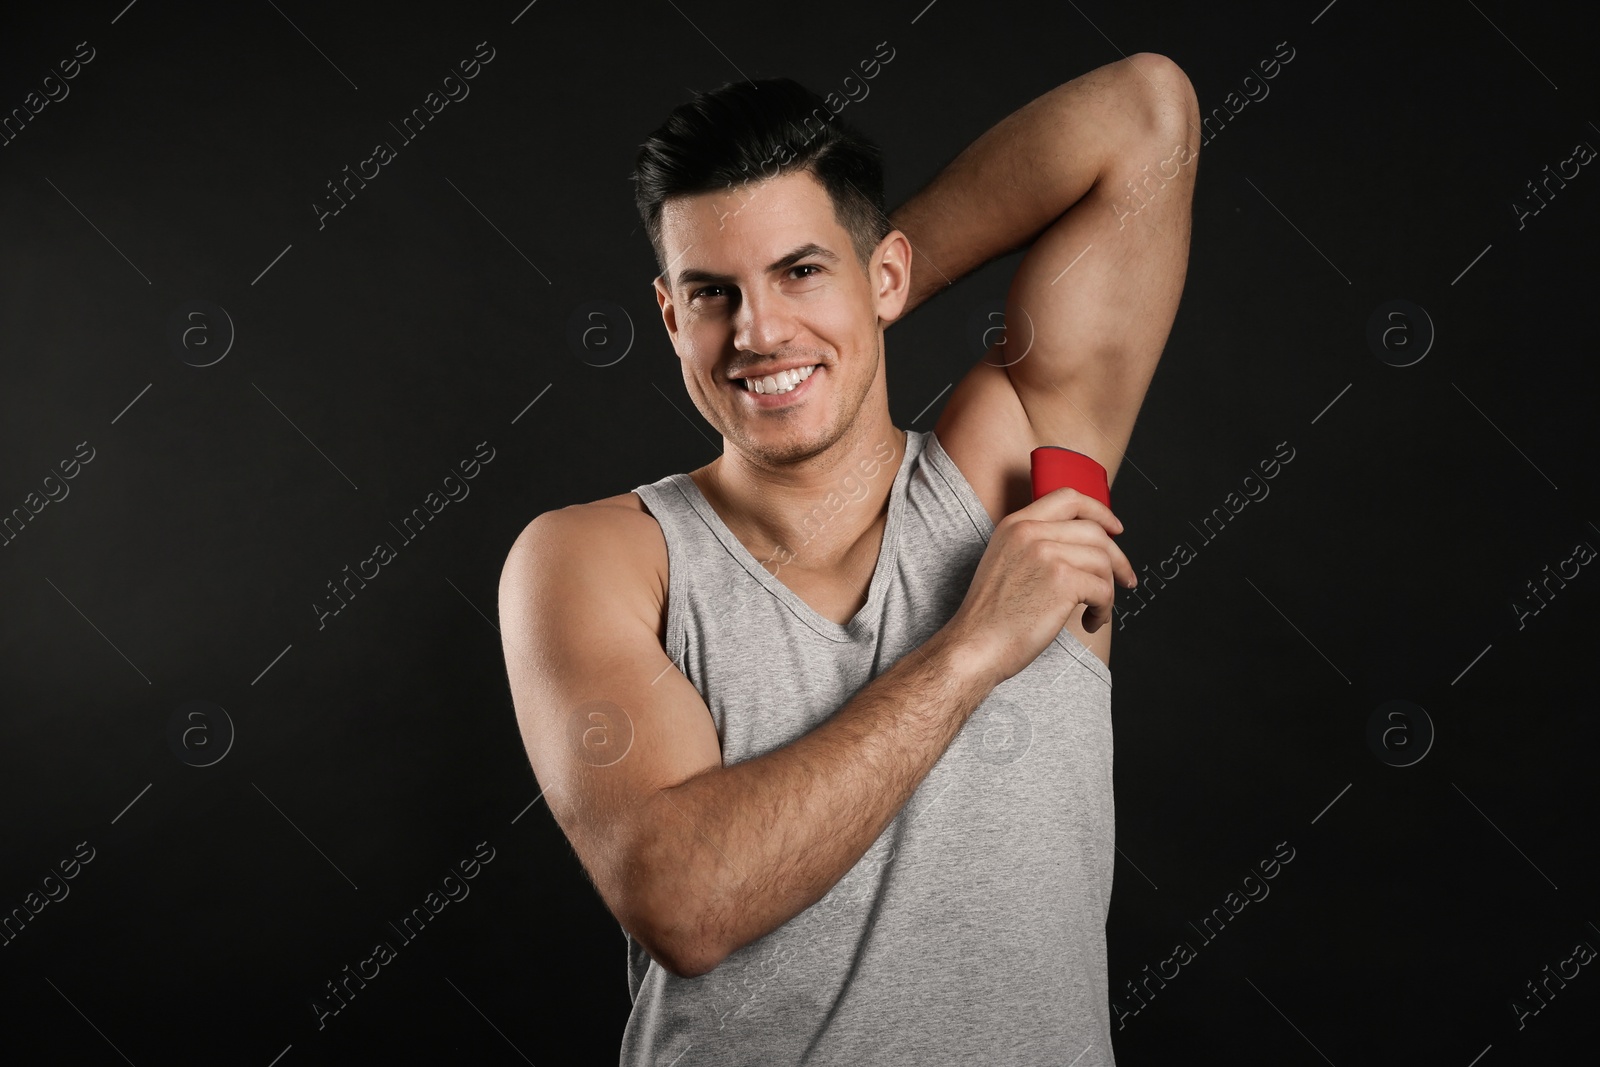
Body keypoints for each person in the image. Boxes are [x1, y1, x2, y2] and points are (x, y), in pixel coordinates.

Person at [498, 52, 1199, 1065]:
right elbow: (688, 902)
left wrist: (853, 307)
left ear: (889, 271)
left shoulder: (1016, 460)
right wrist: (969, 648)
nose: (757, 329)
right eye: (712, 294)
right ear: (668, 316)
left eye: (798, 269)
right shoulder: (595, 558)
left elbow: (1142, 114)